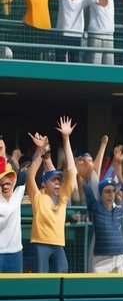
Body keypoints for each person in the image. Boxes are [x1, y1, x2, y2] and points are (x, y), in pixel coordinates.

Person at [25, 117, 77, 272]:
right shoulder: (38, 196)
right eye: (53, 180)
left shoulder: (62, 197)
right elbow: (30, 176)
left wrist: (66, 138)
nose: (57, 183)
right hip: (40, 243)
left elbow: (72, 171)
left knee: (62, 277)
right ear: (43, 183)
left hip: (58, 245)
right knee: (41, 283)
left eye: (59, 180)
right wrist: (40, 150)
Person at [0, 148, 25, 273]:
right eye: (2, 184)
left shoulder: (18, 193)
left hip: (15, 253)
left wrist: (41, 151)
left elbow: (30, 173)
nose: (5, 186)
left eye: (8, 183)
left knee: (15, 289)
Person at [85, 0, 117, 65]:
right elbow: (103, 2)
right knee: (95, 63)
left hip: (109, 34)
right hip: (96, 33)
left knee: (109, 64)